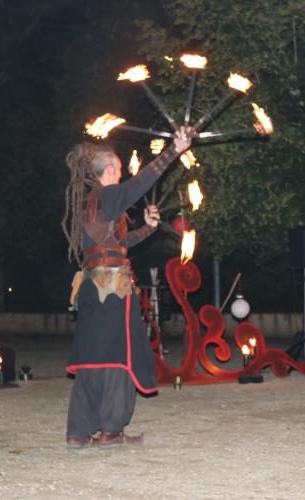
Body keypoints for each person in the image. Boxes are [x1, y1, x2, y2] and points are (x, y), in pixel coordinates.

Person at [61, 127, 192, 449]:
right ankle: (111, 431)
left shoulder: (92, 203)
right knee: (120, 357)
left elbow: (119, 243)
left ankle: (79, 433)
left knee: (94, 358)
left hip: (93, 289)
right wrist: (173, 151)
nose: (122, 173)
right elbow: (140, 183)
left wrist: (147, 229)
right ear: (109, 170)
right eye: (119, 168)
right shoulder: (107, 195)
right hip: (113, 291)